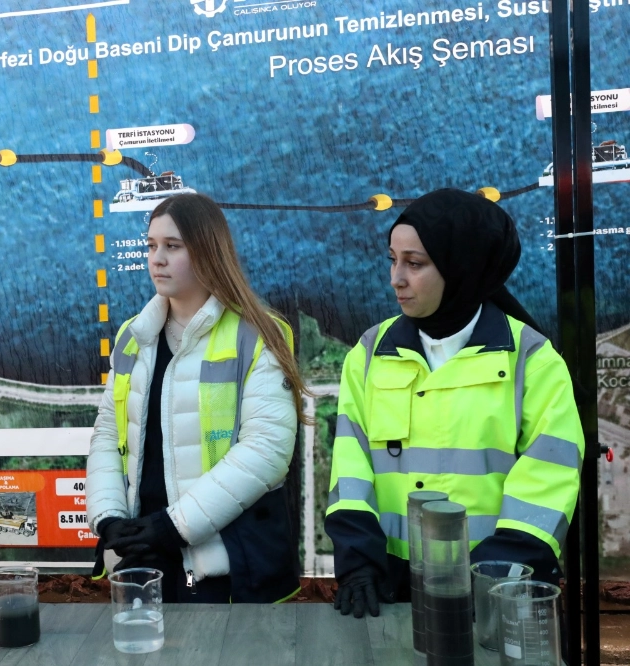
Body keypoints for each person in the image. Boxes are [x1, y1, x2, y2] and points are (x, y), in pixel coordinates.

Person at [325, 188, 584, 619]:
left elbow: (548, 479)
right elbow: (351, 465)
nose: (396, 278)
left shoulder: (532, 360)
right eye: (393, 259)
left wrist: (491, 577)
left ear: (462, 266)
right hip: (386, 588)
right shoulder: (369, 352)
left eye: (414, 263)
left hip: (493, 596)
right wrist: (359, 563)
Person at [86, 193, 308, 603]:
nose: (157, 259)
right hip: (145, 555)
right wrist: (109, 518)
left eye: (172, 246)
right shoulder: (133, 337)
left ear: (207, 250)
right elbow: (107, 435)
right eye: (151, 245)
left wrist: (173, 526)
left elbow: (267, 451)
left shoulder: (258, 335)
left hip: (227, 564)